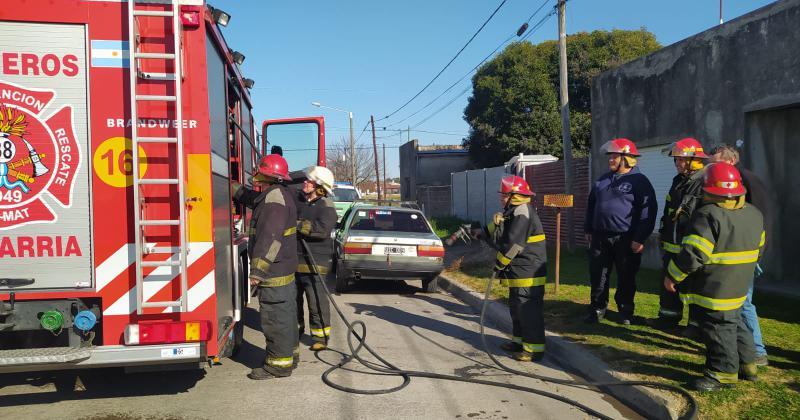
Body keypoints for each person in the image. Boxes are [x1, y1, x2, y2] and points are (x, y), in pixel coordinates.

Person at [664, 162, 764, 391]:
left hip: (715, 286)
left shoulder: (708, 215)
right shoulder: (753, 213)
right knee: (736, 322)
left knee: (718, 327)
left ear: (708, 189)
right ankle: (748, 365)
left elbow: (693, 253)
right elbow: (760, 248)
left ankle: (722, 373)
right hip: (740, 283)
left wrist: (672, 276)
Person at [233, 154, 299, 380]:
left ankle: (278, 366)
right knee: (286, 315)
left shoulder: (273, 201)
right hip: (284, 269)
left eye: (258, 171)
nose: (254, 174)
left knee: (275, 319)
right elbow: (254, 199)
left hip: (273, 272)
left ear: (266, 174)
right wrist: (237, 191)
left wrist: (258, 271)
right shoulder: (276, 195)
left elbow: (270, 239)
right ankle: (290, 355)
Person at [710, 144, 771, 366]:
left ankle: (757, 351)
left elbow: (754, 221)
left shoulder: (745, 182)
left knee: (743, 303)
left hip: (744, 253)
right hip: (744, 251)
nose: (712, 168)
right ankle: (742, 348)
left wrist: (753, 255)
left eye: (716, 162)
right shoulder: (745, 179)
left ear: (731, 161)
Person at [584, 138, 657, 325]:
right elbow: (592, 205)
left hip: (626, 238)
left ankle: (625, 311)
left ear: (627, 159)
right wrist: (589, 228)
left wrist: (640, 238)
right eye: (610, 157)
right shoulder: (602, 179)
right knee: (598, 274)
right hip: (600, 237)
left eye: (614, 157)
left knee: (626, 276)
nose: (610, 160)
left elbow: (647, 213)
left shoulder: (640, 181)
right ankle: (598, 309)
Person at [492, 175, 547, 362]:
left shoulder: (522, 212)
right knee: (517, 309)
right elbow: (502, 236)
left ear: (515, 195)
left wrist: (499, 264)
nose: (501, 198)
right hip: (520, 270)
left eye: (504, 195)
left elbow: (513, 244)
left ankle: (533, 350)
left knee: (527, 310)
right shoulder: (513, 211)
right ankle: (518, 342)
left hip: (528, 271)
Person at [656, 138, 708, 327]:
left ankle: (695, 327)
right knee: (668, 285)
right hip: (672, 244)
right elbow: (669, 210)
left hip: (690, 246)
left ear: (694, 160)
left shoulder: (704, 182)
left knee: (693, 288)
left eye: (681, 160)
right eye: (676, 160)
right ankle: (667, 319)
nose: (677, 163)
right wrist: (663, 232)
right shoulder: (678, 181)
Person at [295, 165, 338, 351]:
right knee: (293, 301)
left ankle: (320, 337)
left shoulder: (326, 207)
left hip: (315, 264)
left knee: (317, 302)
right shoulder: (301, 202)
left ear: (320, 187)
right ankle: (295, 332)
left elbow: (321, 230)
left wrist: (297, 225)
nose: (305, 182)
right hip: (295, 262)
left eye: (309, 181)